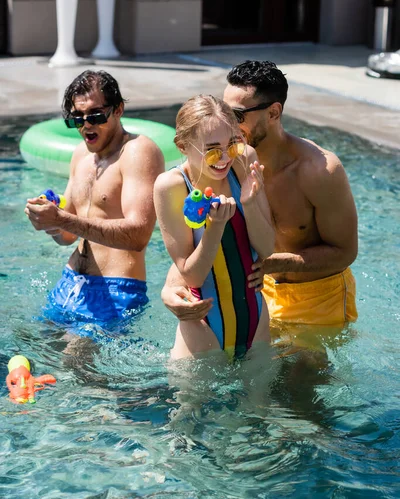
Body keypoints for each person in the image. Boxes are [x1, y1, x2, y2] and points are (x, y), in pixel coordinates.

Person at [161, 60, 358, 332]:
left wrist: (274, 262)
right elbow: (194, 241)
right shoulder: (227, 165)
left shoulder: (318, 171)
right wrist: (172, 286)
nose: (227, 123)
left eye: (237, 115)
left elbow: (345, 252)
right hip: (257, 291)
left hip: (316, 297)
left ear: (274, 113)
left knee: (298, 373)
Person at [25, 70, 164, 332]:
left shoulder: (137, 151)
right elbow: (67, 235)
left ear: (118, 109)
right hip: (70, 283)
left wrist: (62, 219)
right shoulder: (80, 155)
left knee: (74, 364)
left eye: (96, 115)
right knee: (25, 349)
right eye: (77, 118)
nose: (86, 125)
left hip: (115, 291)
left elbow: (139, 235)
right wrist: (47, 221)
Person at [153, 94, 275, 360]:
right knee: (194, 403)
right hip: (203, 328)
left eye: (232, 144)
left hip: (256, 323)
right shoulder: (171, 186)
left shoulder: (243, 161)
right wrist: (215, 227)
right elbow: (192, 276)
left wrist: (250, 203)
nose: (224, 158)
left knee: (261, 404)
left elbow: (267, 248)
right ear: (183, 146)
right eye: (211, 149)